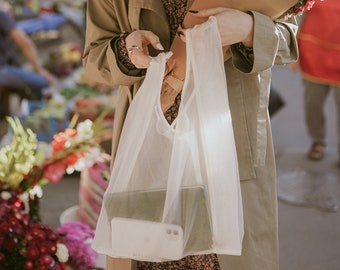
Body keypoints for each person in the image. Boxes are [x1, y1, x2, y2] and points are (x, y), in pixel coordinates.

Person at [83, 0, 300, 269]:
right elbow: (94, 56)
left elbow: (288, 40)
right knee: (146, 248)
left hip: (225, 143)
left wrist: (249, 29)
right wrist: (127, 51)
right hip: (150, 142)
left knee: (223, 252)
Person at [289, 0, 340, 163]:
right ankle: (317, 141)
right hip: (314, 54)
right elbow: (296, 16)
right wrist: (293, 51)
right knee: (313, 104)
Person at [0, 4, 53, 101]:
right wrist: (39, 70)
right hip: (3, 71)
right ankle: (34, 107)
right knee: (43, 83)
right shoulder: (2, 15)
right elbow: (26, 44)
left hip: (5, 70)